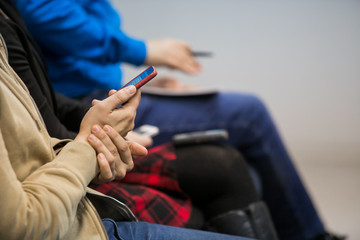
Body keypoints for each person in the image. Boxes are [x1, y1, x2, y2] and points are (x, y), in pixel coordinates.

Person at [11, 1, 344, 240]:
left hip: (94, 101)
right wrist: (140, 51)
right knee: (244, 123)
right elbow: (47, 15)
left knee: (232, 164)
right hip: (88, 111)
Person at [0, 33, 266, 240]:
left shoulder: (7, 19)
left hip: (66, 169)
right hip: (66, 209)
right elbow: (22, 225)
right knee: (243, 125)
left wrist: (97, 134)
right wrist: (91, 145)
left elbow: (39, 113)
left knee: (225, 165)